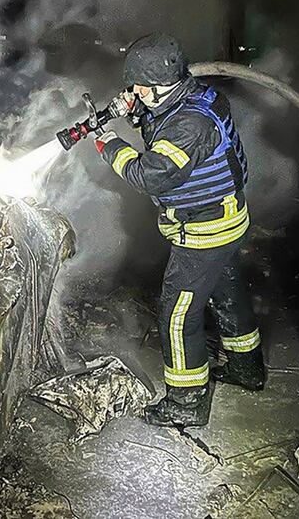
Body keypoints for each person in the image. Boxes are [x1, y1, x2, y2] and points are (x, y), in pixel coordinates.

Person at [95, 32, 265, 427]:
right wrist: (137, 112)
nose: (133, 91)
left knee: (177, 314)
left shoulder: (190, 124)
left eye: (138, 86)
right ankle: (247, 368)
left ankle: (186, 403)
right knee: (227, 292)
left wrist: (109, 144)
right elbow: (164, 124)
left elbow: (152, 175)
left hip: (205, 230)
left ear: (157, 85)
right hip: (226, 219)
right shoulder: (191, 96)